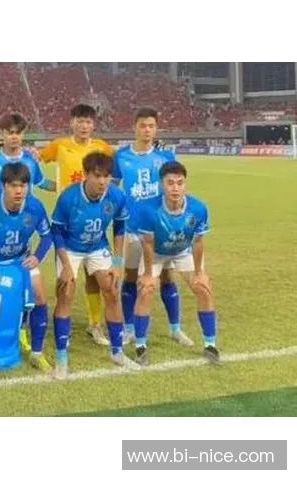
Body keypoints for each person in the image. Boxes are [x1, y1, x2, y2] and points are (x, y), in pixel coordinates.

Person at [51, 152, 140, 379]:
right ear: (86, 175)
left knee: (112, 289)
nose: (102, 182)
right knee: (66, 291)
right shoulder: (68, 198)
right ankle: (61, 358)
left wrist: (118, 264)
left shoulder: (116, 196)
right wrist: (66, 266)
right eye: (97, 176)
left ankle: (117, 352)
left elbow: (120, 228)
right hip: (69, 248)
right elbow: (56, 232)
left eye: (106, 176)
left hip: (97, 246)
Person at [113, 107, 192, 346]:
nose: (147, 130)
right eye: (142, 125)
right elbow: (114, 188)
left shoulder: (165, 157)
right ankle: (129, 328)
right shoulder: (120, 156)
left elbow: (176, 189)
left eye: (151, 126)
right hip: (132, 228)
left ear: (156, 128)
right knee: (130, 278)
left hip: (160, 229)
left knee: (168, 276)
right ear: (135, 127)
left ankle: (175, 328)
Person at [0, 112, 55, 353]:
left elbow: (43, 183)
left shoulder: (30, 160)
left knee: (31, 293)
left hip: (21, 227)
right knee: (3, 296)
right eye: (9, 132)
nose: (14, 137)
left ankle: (24, 334)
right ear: (1, 134)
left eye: (18, 133)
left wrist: (68, 185)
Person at [38, 104, 115, 346]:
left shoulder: (102, 147)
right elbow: (35, 161)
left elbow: (114, 170)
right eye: (80, 121)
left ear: (94, 124)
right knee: (66, 281)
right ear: (72, 122)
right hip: (67, 220)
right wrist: (51, 186)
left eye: (88, 121)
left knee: (95, 278)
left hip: (92, 220)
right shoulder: (59, 145)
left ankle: (95, 324)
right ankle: (63, 327)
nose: (84, 126)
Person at [131, 161, 221, 366]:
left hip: (182, 251)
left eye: (180, 183)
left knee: (203, 288)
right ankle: (140, 346)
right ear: (162, 184)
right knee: (146, 289)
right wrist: (147, 275)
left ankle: (210, 345)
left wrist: (199, 272)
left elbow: (198, 242)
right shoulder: (148, 209)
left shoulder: (198, 208)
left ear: (185, 184)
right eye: (170, 183)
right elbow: (148, 244)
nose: (175, 188)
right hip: (155, 253)